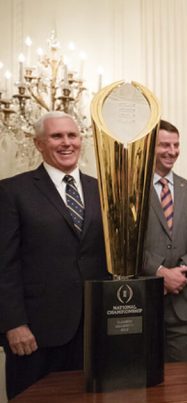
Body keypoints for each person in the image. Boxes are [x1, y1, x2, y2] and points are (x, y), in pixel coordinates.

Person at [0, 111, 109, 399]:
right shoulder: (12, 191)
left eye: (72, 135)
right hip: (36, 334)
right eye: (56, 136)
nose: (66, 143)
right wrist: (13, 323)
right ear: (38, 143)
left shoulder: (102, 190)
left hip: (93, 332)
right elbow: (4, 265)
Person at [142, 120, 187, 362]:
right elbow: (125, 242)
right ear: (150, 146)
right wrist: (159, 271)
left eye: (176, 145)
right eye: (165, 145)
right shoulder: (131, 190)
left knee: (185, 381)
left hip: (185, 307)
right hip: (143, 305)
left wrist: (182, 272)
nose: (172, 151)